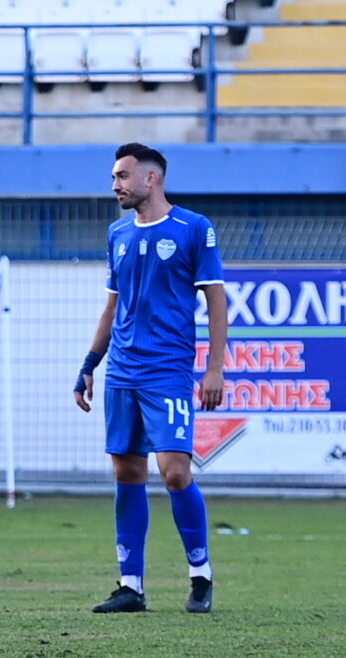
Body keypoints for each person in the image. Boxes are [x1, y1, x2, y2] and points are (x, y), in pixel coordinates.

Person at [74, 142, 227, 615]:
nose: (116, 185)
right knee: (127, 471)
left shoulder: (193, 228)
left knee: (175, 472)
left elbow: (216, 301)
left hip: (168, 370)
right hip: (122, 370)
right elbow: (112, 305)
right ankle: (131, 585)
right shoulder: (118, 234)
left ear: (151, 179)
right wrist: (89, 364)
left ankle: (200, 576)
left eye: (122, 176)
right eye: (114, 177)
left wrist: (215, 366)